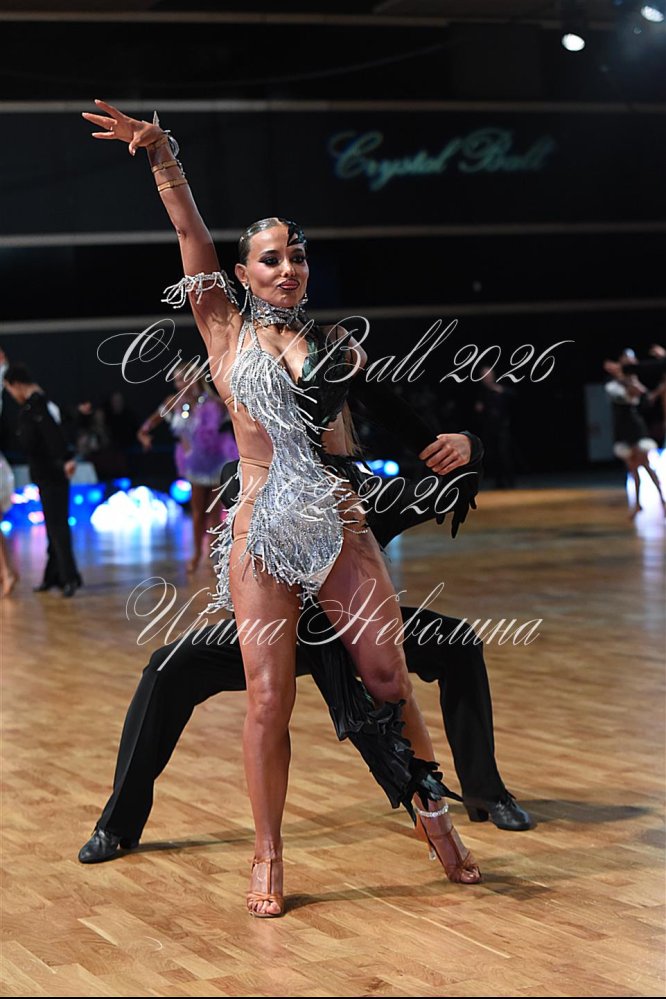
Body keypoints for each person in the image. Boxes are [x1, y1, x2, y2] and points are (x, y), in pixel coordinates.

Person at [82, 99, 483, 917]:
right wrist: (164, 157)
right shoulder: (223, 332)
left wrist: (449, 442)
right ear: (243, 274)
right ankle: (267, 852)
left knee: (387, 675)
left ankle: (431, 811)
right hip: (262, 530)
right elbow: (190, 234)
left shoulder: (334, 346)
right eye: (271, 258)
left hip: (337, 523)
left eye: (297, 255)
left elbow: (393, 413)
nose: (288, 267)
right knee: (269, 698)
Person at [78, 450, 533, 867]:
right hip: (276, 636)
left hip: (356, 634)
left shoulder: (361, 492)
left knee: (457, 642)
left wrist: (470, 446)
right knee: (167, 668)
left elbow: (445, 488)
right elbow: (237, 503)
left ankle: (485, 793)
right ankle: (117, 824)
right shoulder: (250, 480)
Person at [137, 361, 239, 572]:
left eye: (182, 379)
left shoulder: (213, 402)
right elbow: (150, 423)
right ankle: (196, 554)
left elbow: (236, 417)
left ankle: (213, 555)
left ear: (194, 378)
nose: (178, 384)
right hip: (194, 463)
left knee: (215, 513)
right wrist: (144, 435)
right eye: (176, 380)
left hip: (217, 460)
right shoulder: (174, 402)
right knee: (198, 511)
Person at [2, 364, 82, 597]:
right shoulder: (35, 405)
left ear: (16, 385)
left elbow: (53, 435)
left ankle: (69, 578)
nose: (11, 395)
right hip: (46, 474)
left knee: (58, 527)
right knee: (53, 527)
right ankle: (54, 576)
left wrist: (65, 459)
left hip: (53, 473)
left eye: (9, 389)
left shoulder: (38, 405)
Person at [603, 350, 665, 519]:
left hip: (635, 427)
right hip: (623, 428)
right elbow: (616, 394)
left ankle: (659, 500)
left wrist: (623, 378)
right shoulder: (614, 382)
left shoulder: (632, 380)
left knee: (643, 464)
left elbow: (641, 397)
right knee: (633, 467)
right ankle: (640, 504)